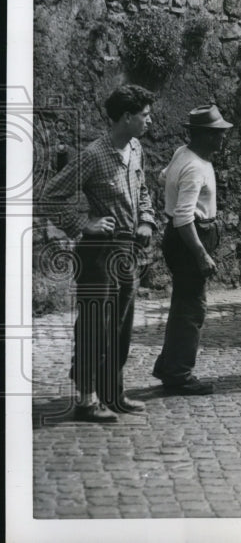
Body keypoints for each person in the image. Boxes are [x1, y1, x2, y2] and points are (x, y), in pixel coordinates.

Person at [42, 84, 157, 422]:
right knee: (95, 325)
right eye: (145, 115)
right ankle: (85, 399)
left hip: (127, 252)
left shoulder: (135, 148)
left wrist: (147, 221)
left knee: (121, 325)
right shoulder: (94, 155)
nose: (150, 121)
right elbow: (51, 195)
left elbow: (144, 190)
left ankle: (112, 393)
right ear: (126, 117)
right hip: (97, 254)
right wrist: (83, 224)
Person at [152, 104, 233, 395]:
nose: (222, 139)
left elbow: (163, 177)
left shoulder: (182, 154)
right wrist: (202, 254)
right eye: (218, 134)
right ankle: (179, 374)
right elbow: (184, 217)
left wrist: (174, 191)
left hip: (182, 236)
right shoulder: (196, 167)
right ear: (204, 136)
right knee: (192, 309)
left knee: (183, 305)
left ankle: (169, 366)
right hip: (190, 239)